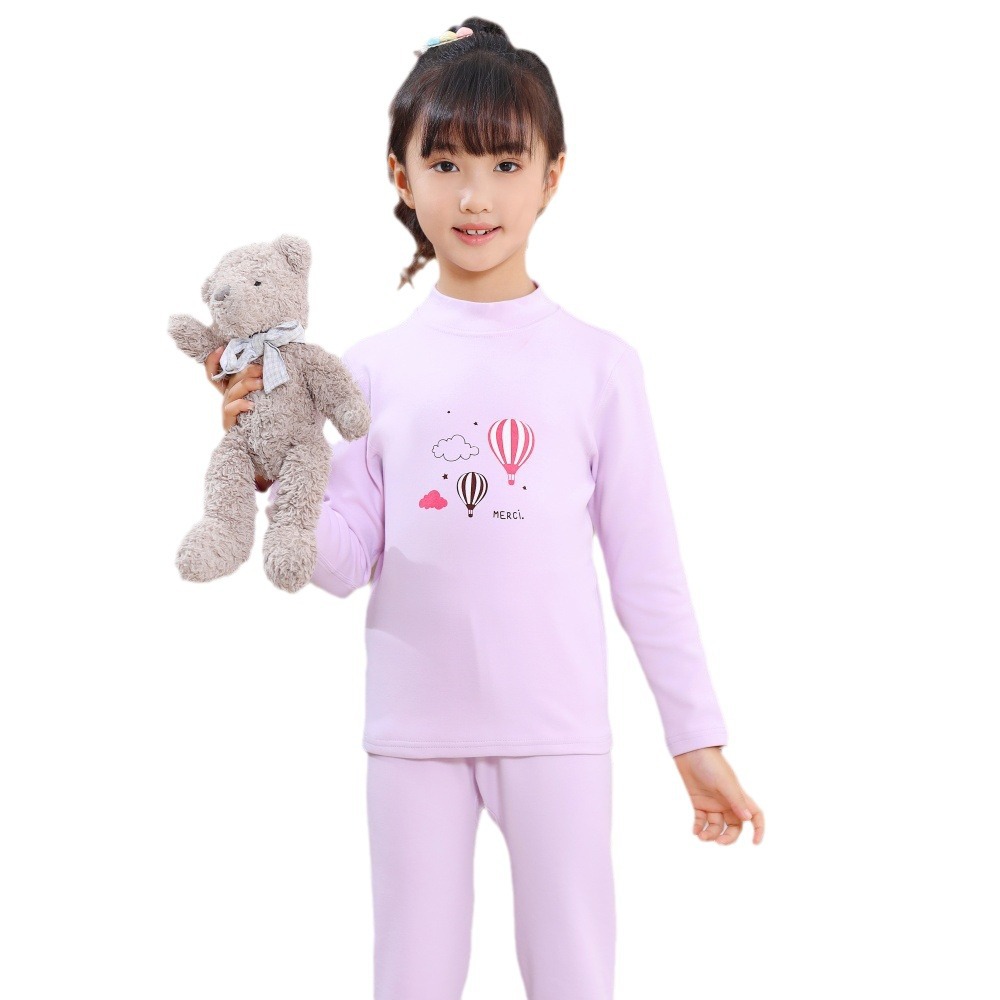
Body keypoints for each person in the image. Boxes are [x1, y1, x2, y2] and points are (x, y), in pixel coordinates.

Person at [203, 17, 764, 1000]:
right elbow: (339, 561)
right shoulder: (370, 369)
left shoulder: (599, 365)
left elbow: (648, 571)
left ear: (552, 174)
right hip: (413, 733)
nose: (474, 195)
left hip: (555, 729)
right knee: (411, 980)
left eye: (506, 163)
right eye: (446, 162)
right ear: (400, 174)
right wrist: (271, 459)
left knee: (574, 977)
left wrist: (696, 736)